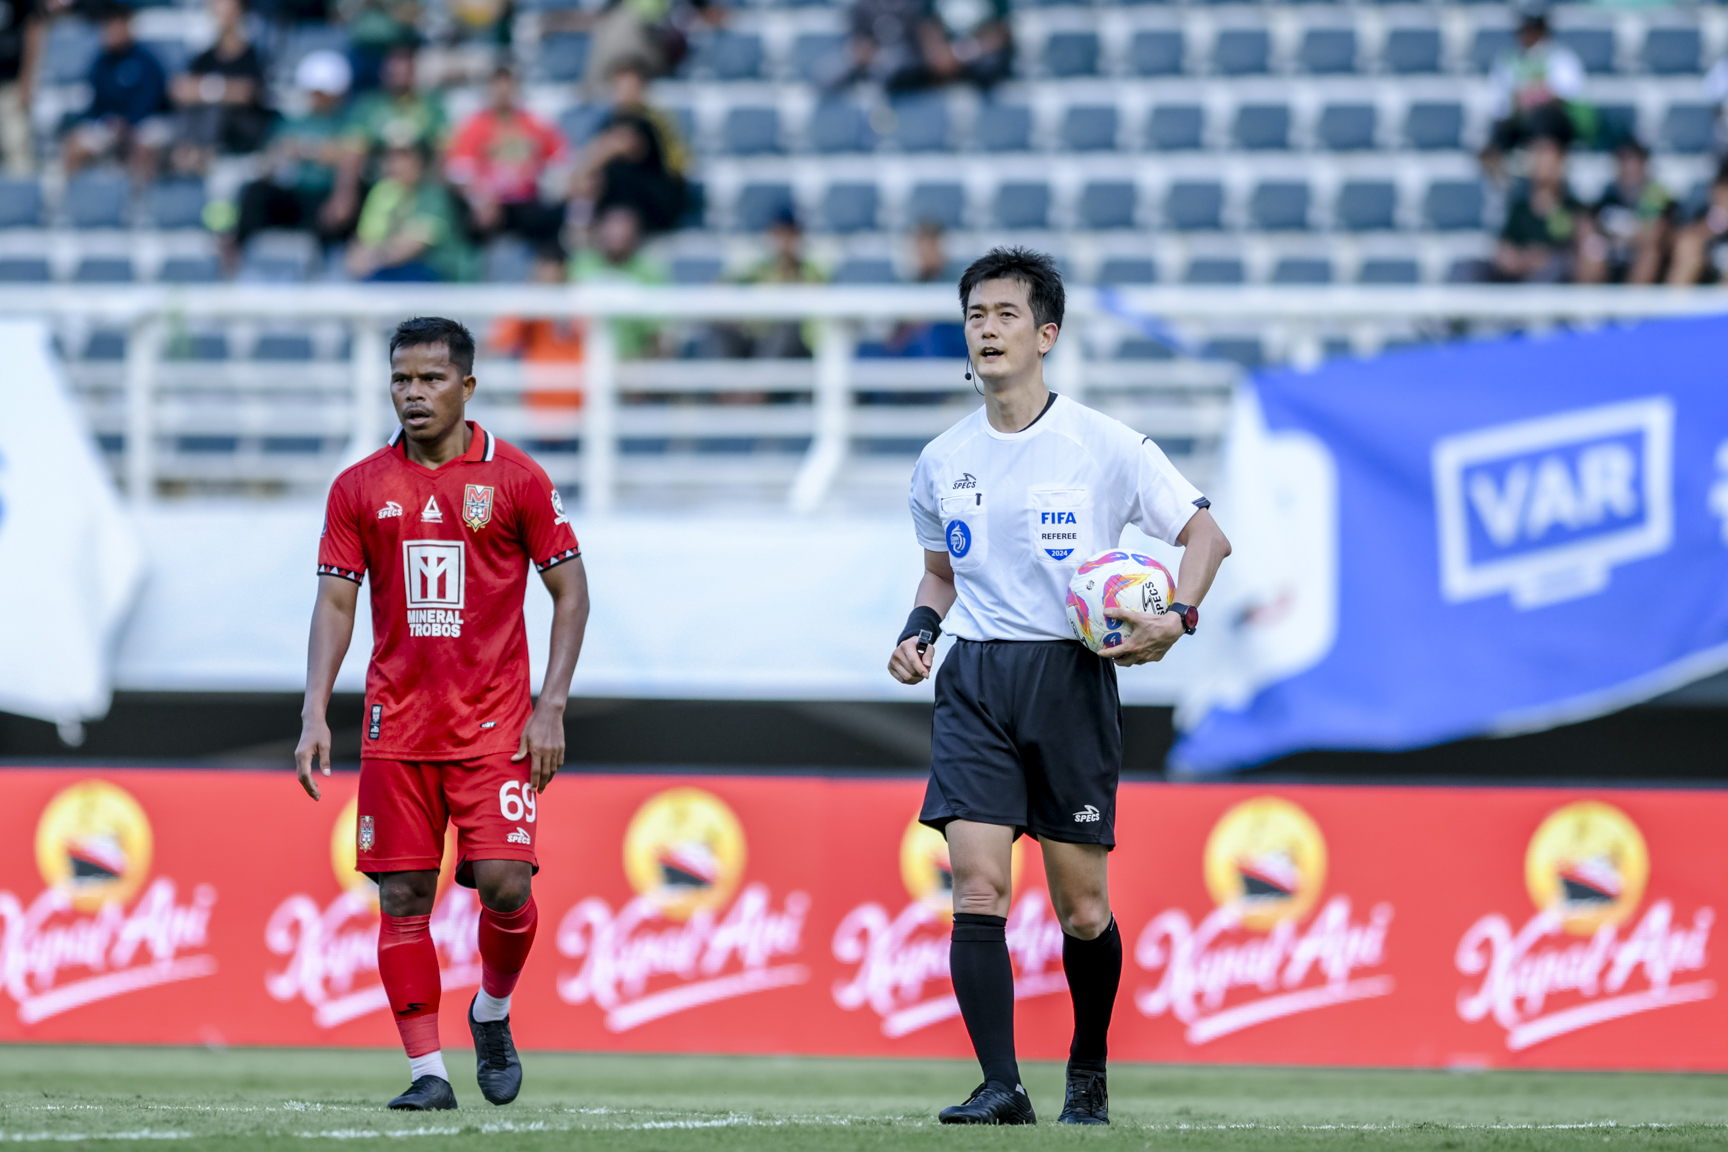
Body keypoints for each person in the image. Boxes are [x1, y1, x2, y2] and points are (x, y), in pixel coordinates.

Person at [887, 248, 1230, 1126]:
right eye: (975, 314)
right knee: (976, 888)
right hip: (975, 677)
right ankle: (1002, 1086)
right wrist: (919, 632)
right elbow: (939, 576)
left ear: (1046, 334)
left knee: (1082, 910)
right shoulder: (940, 460)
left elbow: (1206, 539)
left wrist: (1176, 617)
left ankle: (1088, 1067)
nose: (987, 327)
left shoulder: (1101, 445)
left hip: (1070, 676)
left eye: (1006, 314)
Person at [296, 316, 590, 1112]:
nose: (413, 393)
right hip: (398, 729)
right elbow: (334, 601)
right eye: (401, 379)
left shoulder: (518, 479)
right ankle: (429, 1073)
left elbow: (571, 591)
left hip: (496, 726)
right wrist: (315, 711)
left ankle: (491, 1009)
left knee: (504, 883)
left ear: (466, 384)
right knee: (401, 901)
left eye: (429, 378)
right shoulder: (359, 486)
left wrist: (549, 707)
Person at [232, 49, 355, 253]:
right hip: (295, 193)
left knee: (332, 213)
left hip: (325, 195)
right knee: (256, 193)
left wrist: (306, 150)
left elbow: (348, 153)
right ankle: (237, 256)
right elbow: (272, 156)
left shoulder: (347, 122)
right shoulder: (291, 123)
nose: (318, 98)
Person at [328, 46, 448, 237]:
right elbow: (352, 152)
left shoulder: (431, 107)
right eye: (394, 72)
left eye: (405, 72)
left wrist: (434, 193)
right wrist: (344, 194)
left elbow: (443, 153)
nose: (399, 77)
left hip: (420, 187)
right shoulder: (368, 106)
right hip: (377, 184)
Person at [445, 66, 569, 246]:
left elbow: (559, 162)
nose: (503, 93)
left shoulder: (535, 125)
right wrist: (481, 200)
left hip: (528, 203)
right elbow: (459, 172)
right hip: (489, 205)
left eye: (508, 86)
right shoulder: (474, 127)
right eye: (497, 86)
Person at [567, 57, 687, 236]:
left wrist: (585, 168)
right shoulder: (608, 121)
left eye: (630, 87)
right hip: (627, 198)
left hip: (657, 199)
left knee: (609, 176)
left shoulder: (650, 122)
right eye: (620, 87)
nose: (624, 93)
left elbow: (625, 145)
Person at [61, 5, 170, 178]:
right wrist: (109, 123)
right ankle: (70, 201)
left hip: (144, 123)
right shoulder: (99, 63)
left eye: (114, 24)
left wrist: (128, 124)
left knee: (145, 145)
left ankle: (140, 202)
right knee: (75, 143)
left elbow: (152, 102)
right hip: (109, 124)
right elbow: (95, 104)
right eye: (106, 25)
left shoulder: (147, 61)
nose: (108, 30)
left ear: (127, 25)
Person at [1482, 0, 1586, 178]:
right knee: (1494, 137)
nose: (1530, 35)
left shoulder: (1560, 57)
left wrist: (1532, 98)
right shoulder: (1507, 60)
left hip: (1553, 126)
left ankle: (1545, 172)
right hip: (1519, 123)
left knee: (1544, 119)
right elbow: (1502, 103)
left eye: (1535, 28)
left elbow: (1567, 95)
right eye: (1526, 29)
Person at [346, 143, 475, 281]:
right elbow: (364, 240)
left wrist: (372, 259)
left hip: (433, 273)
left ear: (421, 162)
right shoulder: (382, 193)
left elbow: (414, 245)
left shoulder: (433, 195)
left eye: (404, 157)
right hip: (386, 269)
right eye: (391, 157)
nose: (396, 164)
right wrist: (357, 260)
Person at [169, 0, 271, 166]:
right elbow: (180, 89)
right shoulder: (204, 58)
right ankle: (189, 153)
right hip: (200, 131)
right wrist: (224, 89)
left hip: (240, 132)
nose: (224, 16)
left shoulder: (253, 56)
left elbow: (247, 92)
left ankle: (200, 154)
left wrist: (205, 89)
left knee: (215, 108)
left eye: (229, 10)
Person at [489, 251, 585, 412]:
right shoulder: (527, 305)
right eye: (543, 269)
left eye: (553, 269)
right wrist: (531, 299)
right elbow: (500, 343)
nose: (548, 276)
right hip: (538, 403)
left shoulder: (581, 304)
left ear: (564, 271)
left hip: (577, 403)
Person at [569, 203, 666, 358]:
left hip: (634, 361)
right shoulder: (580, 264)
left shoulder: (651, 271)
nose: (618, 234)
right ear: (599, 229)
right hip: (581, 359)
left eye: (624, 228)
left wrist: (648, 373)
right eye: (612, 227)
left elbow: (659, 333)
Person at [1491, 125, 1584, 283]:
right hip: (1519, 279)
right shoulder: (1519, 208)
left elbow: (1576, 256)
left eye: (1547, 154)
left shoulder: (1573, 208)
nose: (1541, 161)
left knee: (1554, 266)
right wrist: (1531, 258)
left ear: (1560, 162)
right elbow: (1505, 255)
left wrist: (1540, 258)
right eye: (1537, 154)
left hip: (1558, 285)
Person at [1577, 138, 1674, 285]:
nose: (1627, 167)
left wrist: (1624, 239)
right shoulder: (1608, 196)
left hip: (1641, 257)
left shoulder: (1658, 195)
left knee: (1649, 253)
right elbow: (1588, 223)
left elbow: (1659, 232)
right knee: (1592, 247)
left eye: (1632, 161)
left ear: (1643, 164)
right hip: (1611, 256)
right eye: (1622, 161)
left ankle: (1635, 305)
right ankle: (1588, 303)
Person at [1667, 162, 1728, 285]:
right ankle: (1675, 301)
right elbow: (1680, 237)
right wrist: (1717, 222)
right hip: (1708, 257)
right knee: (1687, 247)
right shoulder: (1701, 211)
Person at [0, 0, 43, 176]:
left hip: (12, 83)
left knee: (16, 148)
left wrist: (27, 81)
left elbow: (33, 28)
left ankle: (19, 200)